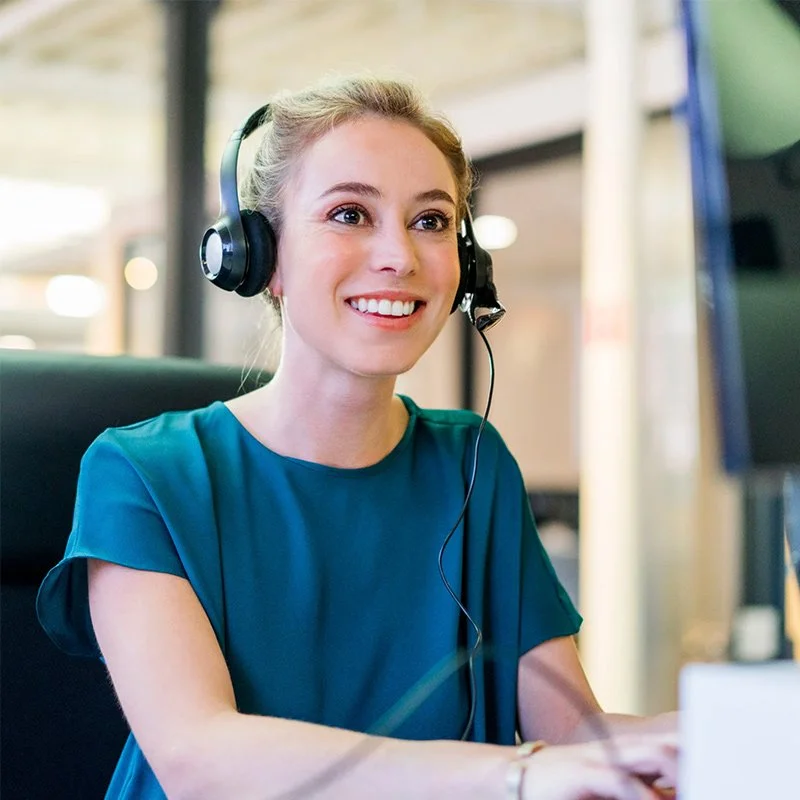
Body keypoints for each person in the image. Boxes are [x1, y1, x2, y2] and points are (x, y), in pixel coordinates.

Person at [37, 74, 677, 799]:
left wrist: (723, 737)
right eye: (349, 214)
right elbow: (198, 756)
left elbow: (573, 735)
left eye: (431, 221)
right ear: (259, 257)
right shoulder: (143, 473)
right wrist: (519, 774)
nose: (399, 256)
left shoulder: (470, 464)